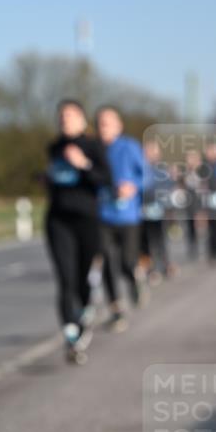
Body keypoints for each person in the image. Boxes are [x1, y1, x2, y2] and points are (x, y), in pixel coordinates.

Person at [45, 99, 111, 362]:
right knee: (65, 278)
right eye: (61, 116)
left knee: (82, 278)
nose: (65, 120)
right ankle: (71, 334)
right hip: (58, 220)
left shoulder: (94, 146)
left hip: (87, 219)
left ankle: (84, 311)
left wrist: (83, 164)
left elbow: (106, 180)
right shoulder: (54, 147)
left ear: (83, 121)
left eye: (71, 116)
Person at [95, 106, 145, 331]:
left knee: (126, 262)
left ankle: (134, 280)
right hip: (102, 214)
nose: (102, 126)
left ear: (118, 125)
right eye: (99, 122)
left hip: (127, 216)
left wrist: (133, 187)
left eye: (107, 122)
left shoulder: (130, 146)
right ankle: (116, 310)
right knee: (106, 260)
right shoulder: (94, 149)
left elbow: (148, 176)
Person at [140, 137, 174, 282]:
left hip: (158, 210)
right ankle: (150, 269)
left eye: (154, 150)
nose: (151, 153)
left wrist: (168, 208)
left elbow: (167, 188)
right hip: (143, 210)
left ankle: (165, 265)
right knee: (145, 242)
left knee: (160, 240)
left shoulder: (163, 169)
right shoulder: (140, 168)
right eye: (148, 150)